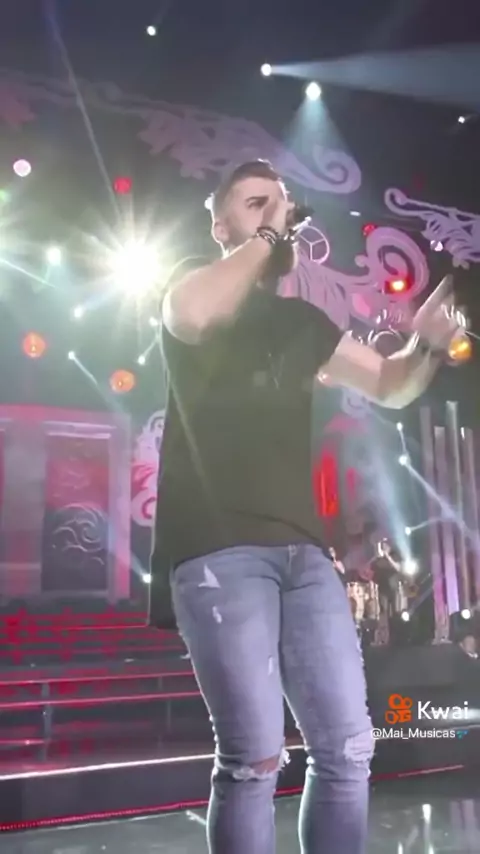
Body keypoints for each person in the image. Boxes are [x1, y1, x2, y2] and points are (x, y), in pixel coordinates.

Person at [150, 159, 467, 854]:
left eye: (284, 203)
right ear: (220, 225)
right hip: (219, 547)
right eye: (256, 203)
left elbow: (389, 383)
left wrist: (426, 344)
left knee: (349, 748)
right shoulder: (189, 289)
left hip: (304, 554)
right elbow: (194, 316)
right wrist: (268, 235)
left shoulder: (301, 321)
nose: (278, 213)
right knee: (253, 758)